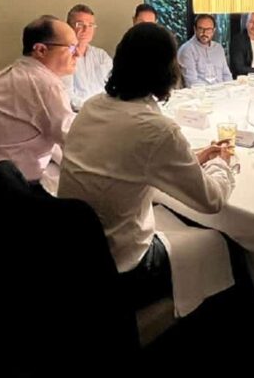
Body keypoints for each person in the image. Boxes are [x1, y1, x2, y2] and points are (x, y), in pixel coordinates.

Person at [58, 22, 235, 310]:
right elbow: (212, 201)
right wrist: (223, 163)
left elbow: (131, 158)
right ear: (168, 70)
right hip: (122, 267)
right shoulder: (157, 129)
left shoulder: (92, 106)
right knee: (221, 243)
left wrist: (194, 157)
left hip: (74, 253)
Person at [0, 15, 78, 195]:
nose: (78, 54)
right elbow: (74, 140)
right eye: (71, 48)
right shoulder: (44, 84)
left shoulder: (15, 72)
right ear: (41, 50)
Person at [62, 4, 113, 111]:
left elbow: (114, 85)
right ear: (68, 27)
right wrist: (93, 109)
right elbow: (67, 96)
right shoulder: (64, 56)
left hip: (104, 111)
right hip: (77, 114)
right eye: (80, 24)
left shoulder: (101, 55)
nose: (86, 29)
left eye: (90, 25)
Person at [177, 14, 233, 87]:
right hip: (200, 92)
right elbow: (191, 83)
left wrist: (229, 89)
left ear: (213, 30)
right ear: (195, 29)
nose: (204, 33)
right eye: (201, 29)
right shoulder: (187, 50)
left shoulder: (218, 48)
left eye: (208, 29)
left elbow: (227, 75)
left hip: (223, 91)